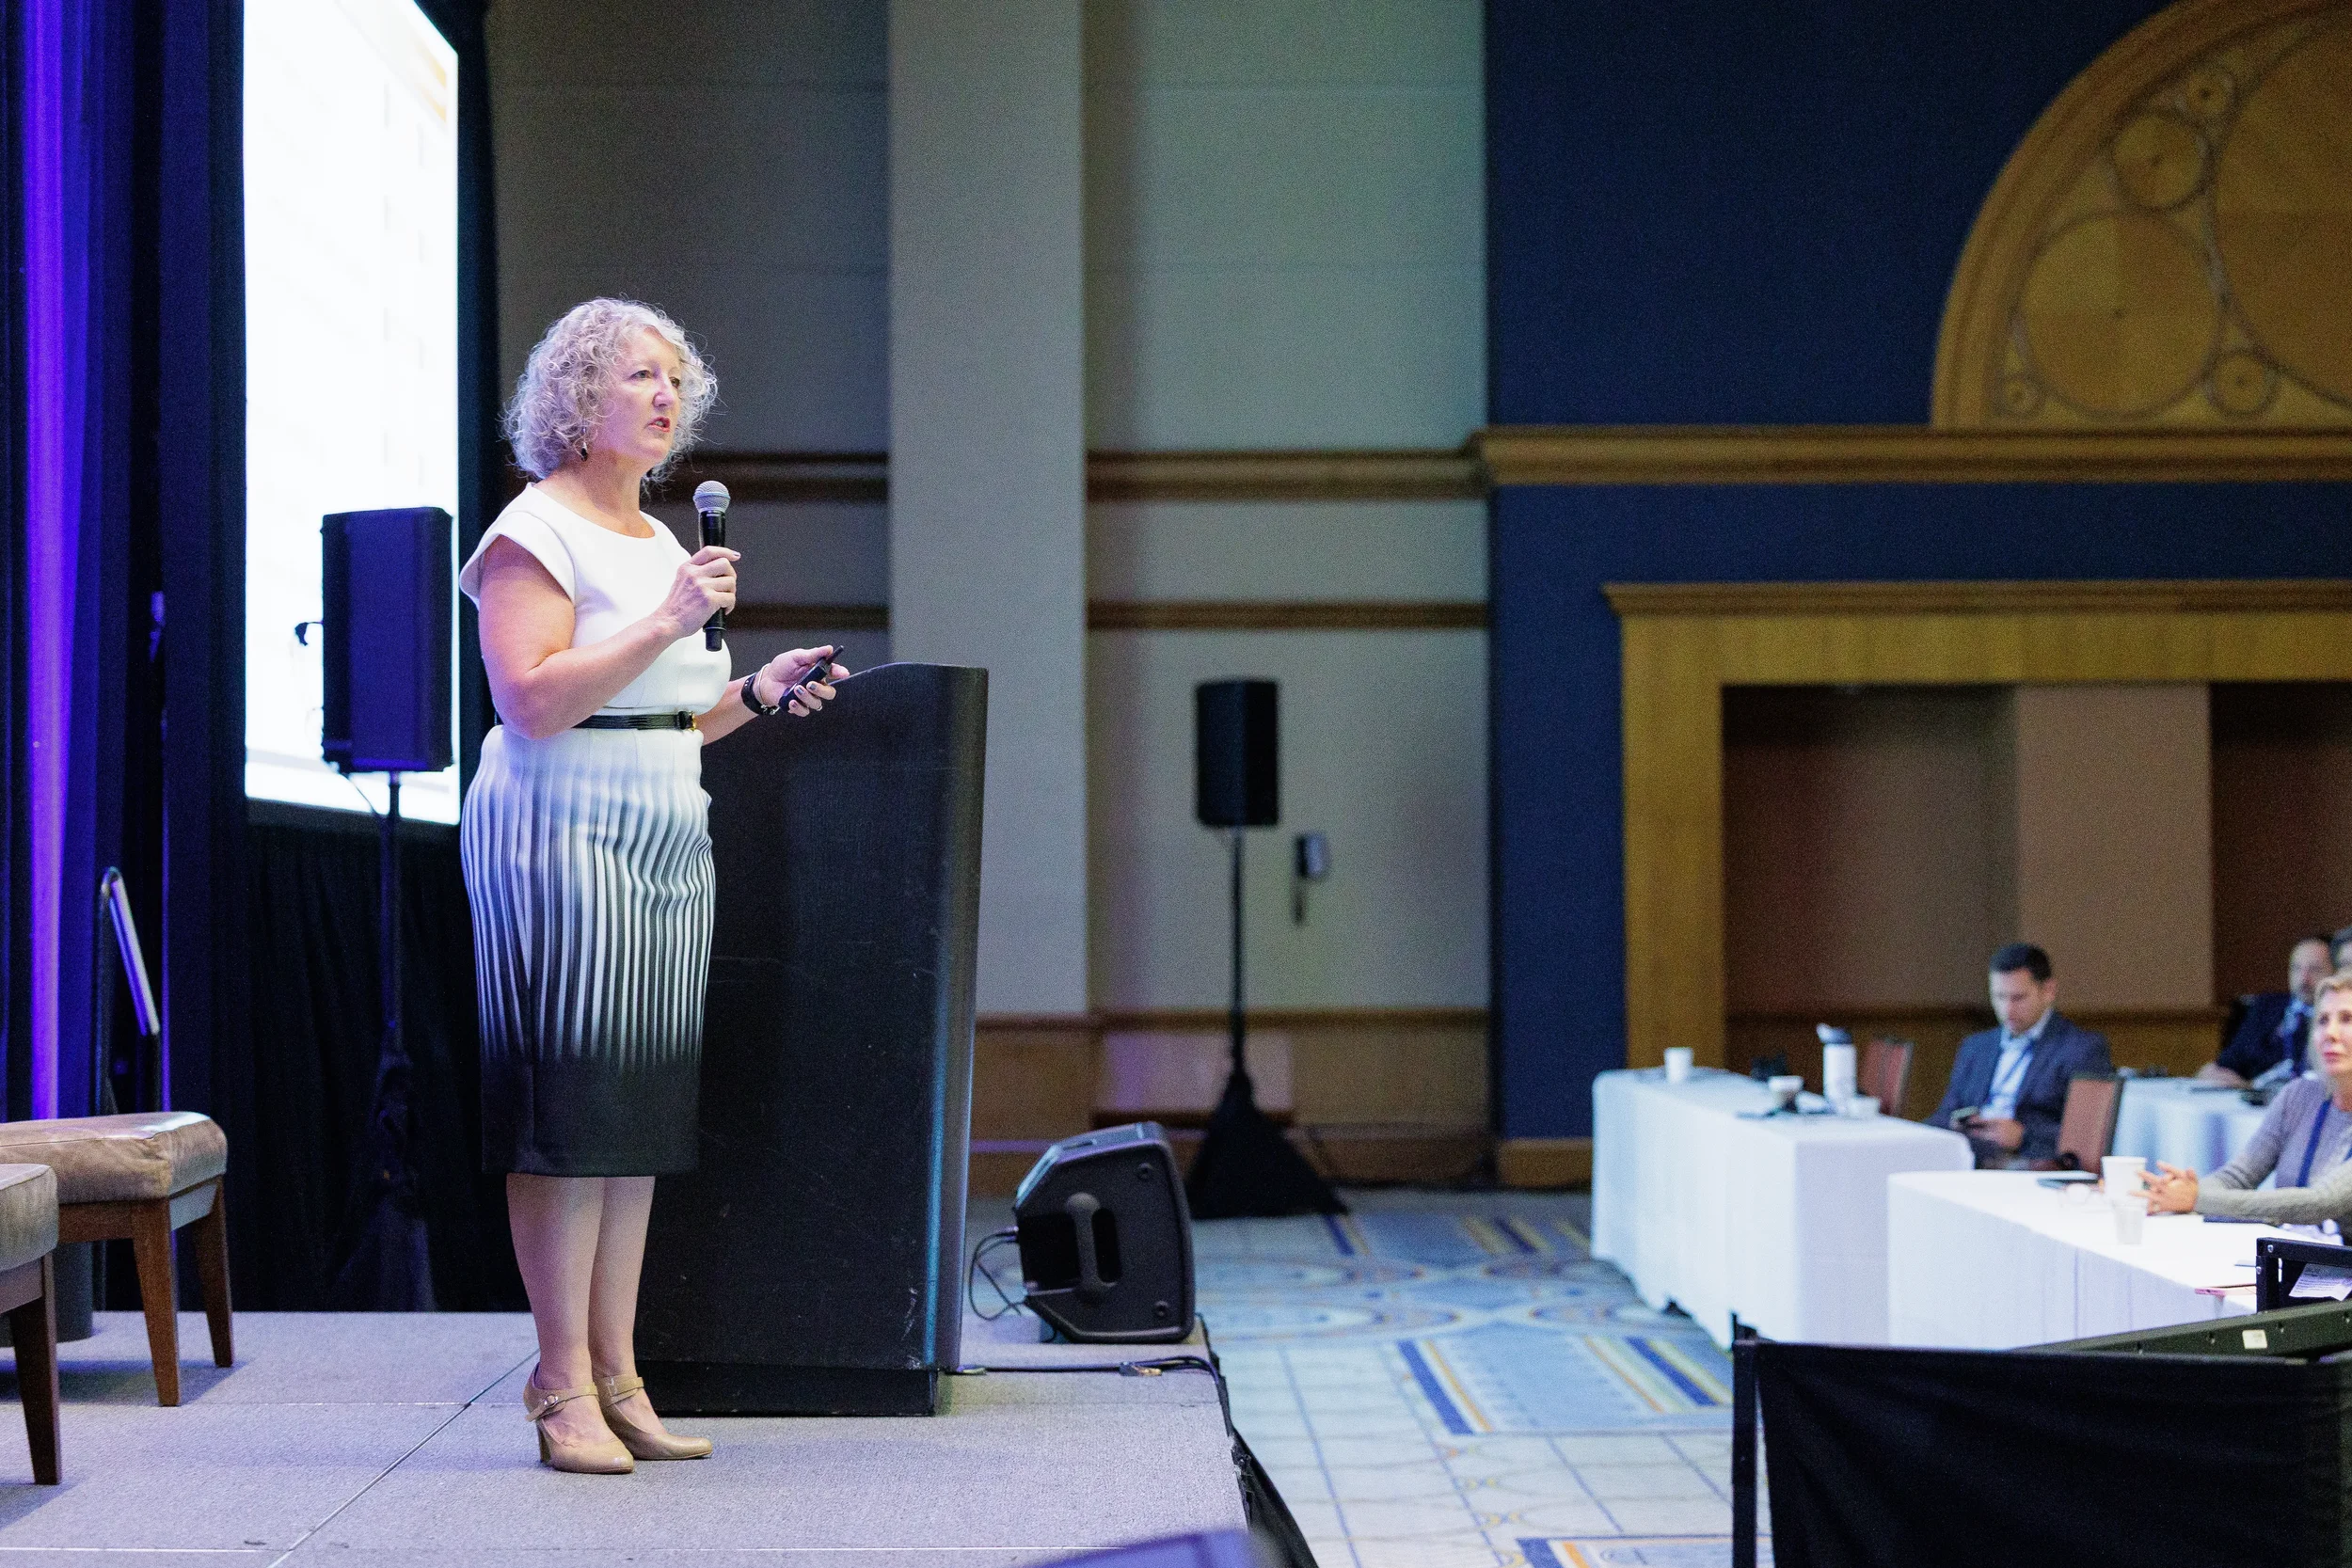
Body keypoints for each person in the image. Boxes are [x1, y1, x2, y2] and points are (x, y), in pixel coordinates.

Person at [460, 298, 846, 1474]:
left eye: (676, 379)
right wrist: (672, 620)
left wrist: (757, 687)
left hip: (665, 829)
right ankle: (557, 1381)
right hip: (560, 830)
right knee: (570, 1111)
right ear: (578, 400)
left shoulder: (663, 539)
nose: (667, 397)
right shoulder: (533, 533)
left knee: (630, 1119)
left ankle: (618, 1373)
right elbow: (532, 697)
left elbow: (675, 712)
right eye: (639, 375)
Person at [2145, 967, 2352, 1227]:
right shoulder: (2298, 1097)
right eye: (2322, 1020)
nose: (2330, 1033)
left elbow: (2322, 1202)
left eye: (2346, 1019)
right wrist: (2174, 1191)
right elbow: (2237, 1177)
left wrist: (2196, 1198)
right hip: (2287, 1256)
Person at [1929, 943, 2114, 1167]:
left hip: (2029, 1160)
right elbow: (1945, 1112)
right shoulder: (1975, 1046)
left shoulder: (2080, 1049)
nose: (2007, 1009)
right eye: (1999, 997)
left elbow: (2089, 1134)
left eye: (2018, 998)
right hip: (1968, 1151)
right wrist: (1956, 1124)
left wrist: (2022, 1136)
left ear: (2048, 991)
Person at [2198, 935, 2332, 1087]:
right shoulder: (2267, 1006)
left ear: (2334, 973)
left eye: (2315, 970)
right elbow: (2227, 1062)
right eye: (2296, 968)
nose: (2304, 979)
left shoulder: (2336, 1019)